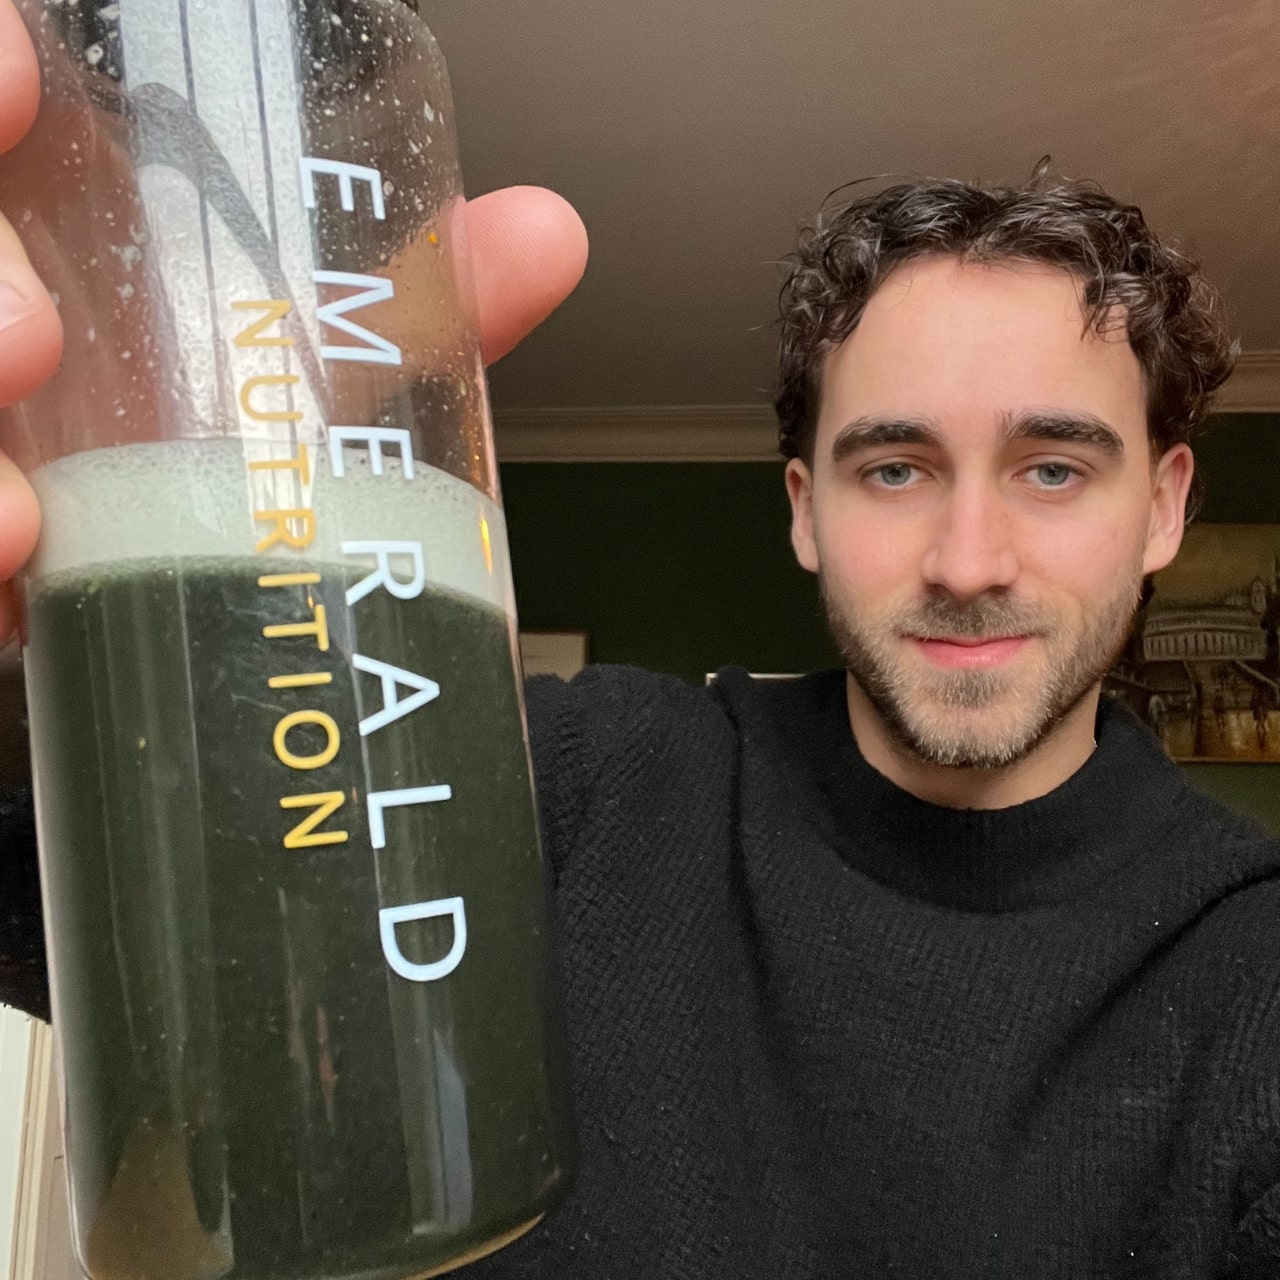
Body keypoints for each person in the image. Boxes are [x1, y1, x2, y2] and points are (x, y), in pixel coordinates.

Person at [0, 6, 1278, 1277]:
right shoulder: (568, 778)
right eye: (892, 469)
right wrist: (155, 553)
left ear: (1162, 504)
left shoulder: (1251, 966)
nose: (965, 560)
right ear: (803, 512)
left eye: (1052, 468)